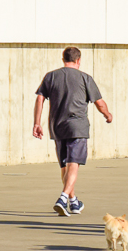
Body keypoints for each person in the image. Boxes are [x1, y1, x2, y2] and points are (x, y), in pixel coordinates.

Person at [32, 46, 113, 216]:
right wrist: (107, 114)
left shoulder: (51, 76)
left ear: (63, 59)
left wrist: (36, 123)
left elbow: (40, 98)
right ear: (78, 60)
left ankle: (73, 201)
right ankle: (62, 198)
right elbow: (99, 103)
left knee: (65, 165)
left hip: (57, 126)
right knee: (73, 164)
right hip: (77, 127)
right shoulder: (85, 78)